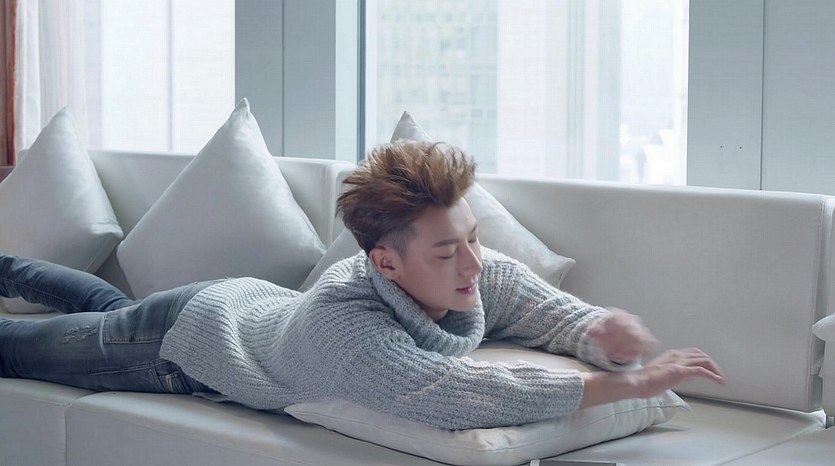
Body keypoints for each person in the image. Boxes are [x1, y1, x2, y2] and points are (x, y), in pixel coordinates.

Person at [0, 141, 724, 430]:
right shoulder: (348, 334)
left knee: (105, 308)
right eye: (449, 252)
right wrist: (628, 385)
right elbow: (462, 394)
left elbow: (550, 313)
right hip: (175, 344)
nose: (475, 265)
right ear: (386, 264)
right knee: (17, 346)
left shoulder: (472, 271)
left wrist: (601, 334)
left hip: (237, 305)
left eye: (474, 238)